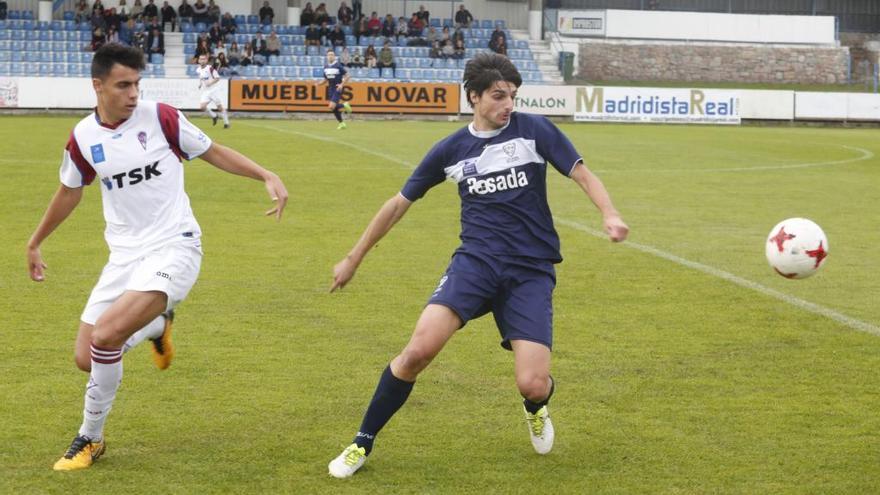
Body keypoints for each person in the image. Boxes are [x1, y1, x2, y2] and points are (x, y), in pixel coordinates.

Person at [325, 52, 629, 479]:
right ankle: (361, 442)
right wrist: (354, 257)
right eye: (499, 96)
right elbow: (398, 204)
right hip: (476, 265)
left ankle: (536, 407)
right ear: (473, 97)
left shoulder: (534, 131)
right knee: (417, 352)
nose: (509, 104)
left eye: (513, 96)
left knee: (532, 383)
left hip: (529, 271)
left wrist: (609, 213)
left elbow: (583, 174)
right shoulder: (451, 150)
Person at [31, 43, 288, 472]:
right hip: (124, 257)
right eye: (123, 85)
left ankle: (89, 439)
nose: (133, 94)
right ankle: (157, 325)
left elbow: (213, 151)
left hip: (176, 245)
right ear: (98, 86)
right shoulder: (83, 137)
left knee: (106, 337)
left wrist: (265, 173)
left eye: (137, 84)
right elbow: (70, 190)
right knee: (86, 357)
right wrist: (35, 241)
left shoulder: (162, 117)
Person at [314, 49, 352, 130]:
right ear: (327, 56)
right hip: (330, 89)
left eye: (332, 54)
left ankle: (344, 105)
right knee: (333, 108)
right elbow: (325, 80)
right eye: (329, 55)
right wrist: (318, 84)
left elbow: (348, 75)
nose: (330, 56)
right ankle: (342, 123)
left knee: (331, 106)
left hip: (337, 88)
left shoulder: (338, 65)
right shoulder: (326, 67)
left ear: (334, 56)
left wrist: (342, 84)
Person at [197, 53, 229, 127]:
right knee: (202, 107)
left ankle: (226, 123)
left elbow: (217, 78)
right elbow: (201, 77)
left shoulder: (210, 68)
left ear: (206, 60)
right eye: (200, 59)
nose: (202, 60)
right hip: (206, 91)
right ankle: (214, 116)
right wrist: (200, 84)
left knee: (219, 107)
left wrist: (210, 83)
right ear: (199, 60)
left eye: (203, 59)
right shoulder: (198, 69)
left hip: (214, 90)